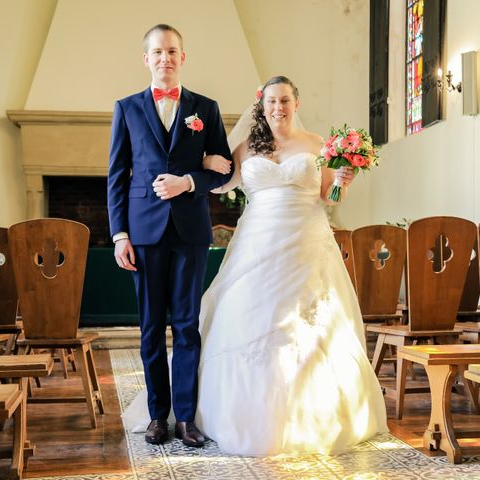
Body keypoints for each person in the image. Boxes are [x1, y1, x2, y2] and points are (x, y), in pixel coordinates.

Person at [123, 75, 388, 455]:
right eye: (271, 102)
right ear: (261, 107)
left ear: (296, 103)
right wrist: (196, 164)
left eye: (284, 100)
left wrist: (344, 180)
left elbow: (330, 198)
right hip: (257, 243)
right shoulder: (247, 147)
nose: (278, 107)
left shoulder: (318, 145)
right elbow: (219, 184)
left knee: (309, 325)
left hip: (307, 244)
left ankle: (313, 412)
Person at [107, 24, 232, 448]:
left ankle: (185, 419)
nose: (165, 58)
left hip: (190, 231)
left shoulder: (206, 108)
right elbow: (116, 176)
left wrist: (188, 182)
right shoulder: (126, 108)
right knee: (149, 328)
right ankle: (157, 415)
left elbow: (223, 171)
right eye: (157, 52)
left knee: (186, 327)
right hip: (142, 231)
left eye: (172, 51)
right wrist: (120, 233)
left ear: (183, 56)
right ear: (146, 59)